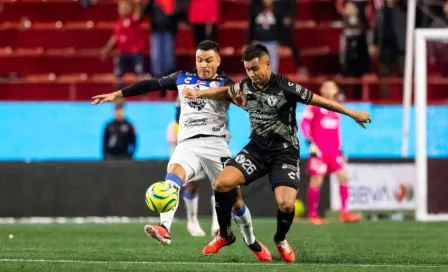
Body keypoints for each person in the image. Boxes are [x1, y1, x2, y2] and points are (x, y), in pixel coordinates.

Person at [183, 43, 371, 263]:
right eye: (247, 70)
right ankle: (225, 234)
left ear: (268, 64)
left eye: (255, 68)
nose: (252, 74)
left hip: (285, 152)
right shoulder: (245, 87)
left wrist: (352, 113)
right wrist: (198, 93)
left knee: (286, 205)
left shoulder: (286, 87)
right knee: (221, 184)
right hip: (256, 149)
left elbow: (322, 101)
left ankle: (280, 239)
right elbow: (225, 91)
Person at [91, 40, 272, 262]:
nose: (203, 65)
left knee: (235, 201)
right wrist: (117, 94)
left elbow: (248, 103)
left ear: (217, 61)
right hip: (187, 144)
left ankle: (251, 240)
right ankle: (164, 228)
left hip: (216, 145)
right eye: (199, 60)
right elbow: (150, 84)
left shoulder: (226, 85)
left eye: (208, 60)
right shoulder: (182, 78)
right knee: (173, 175)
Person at [300, 80, 361, 225]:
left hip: (334, 151)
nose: (328, 89)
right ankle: (313, 215)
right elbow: (304, 124)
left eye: (331, 87)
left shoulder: (337, 109)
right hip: (319, 151)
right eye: (326, 87)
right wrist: (311, 144)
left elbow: (336, 132)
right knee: (316, 180)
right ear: (321, 89)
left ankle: (345, 213)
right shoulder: (314, 105)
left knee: (343, 177)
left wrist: (341, 150)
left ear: (335, 90)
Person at [100, 1, 146, 90]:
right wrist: (106, 49)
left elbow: (138, 15)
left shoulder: (133, 20)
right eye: (120, 7)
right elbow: (114, 38)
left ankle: (143, 94)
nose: (123, 9)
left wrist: (136, 4)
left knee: (140, 73)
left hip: (135, 53)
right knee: (118, 73)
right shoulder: (117, 24)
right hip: (122, 54)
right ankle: (118, 93)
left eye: (125, 6)